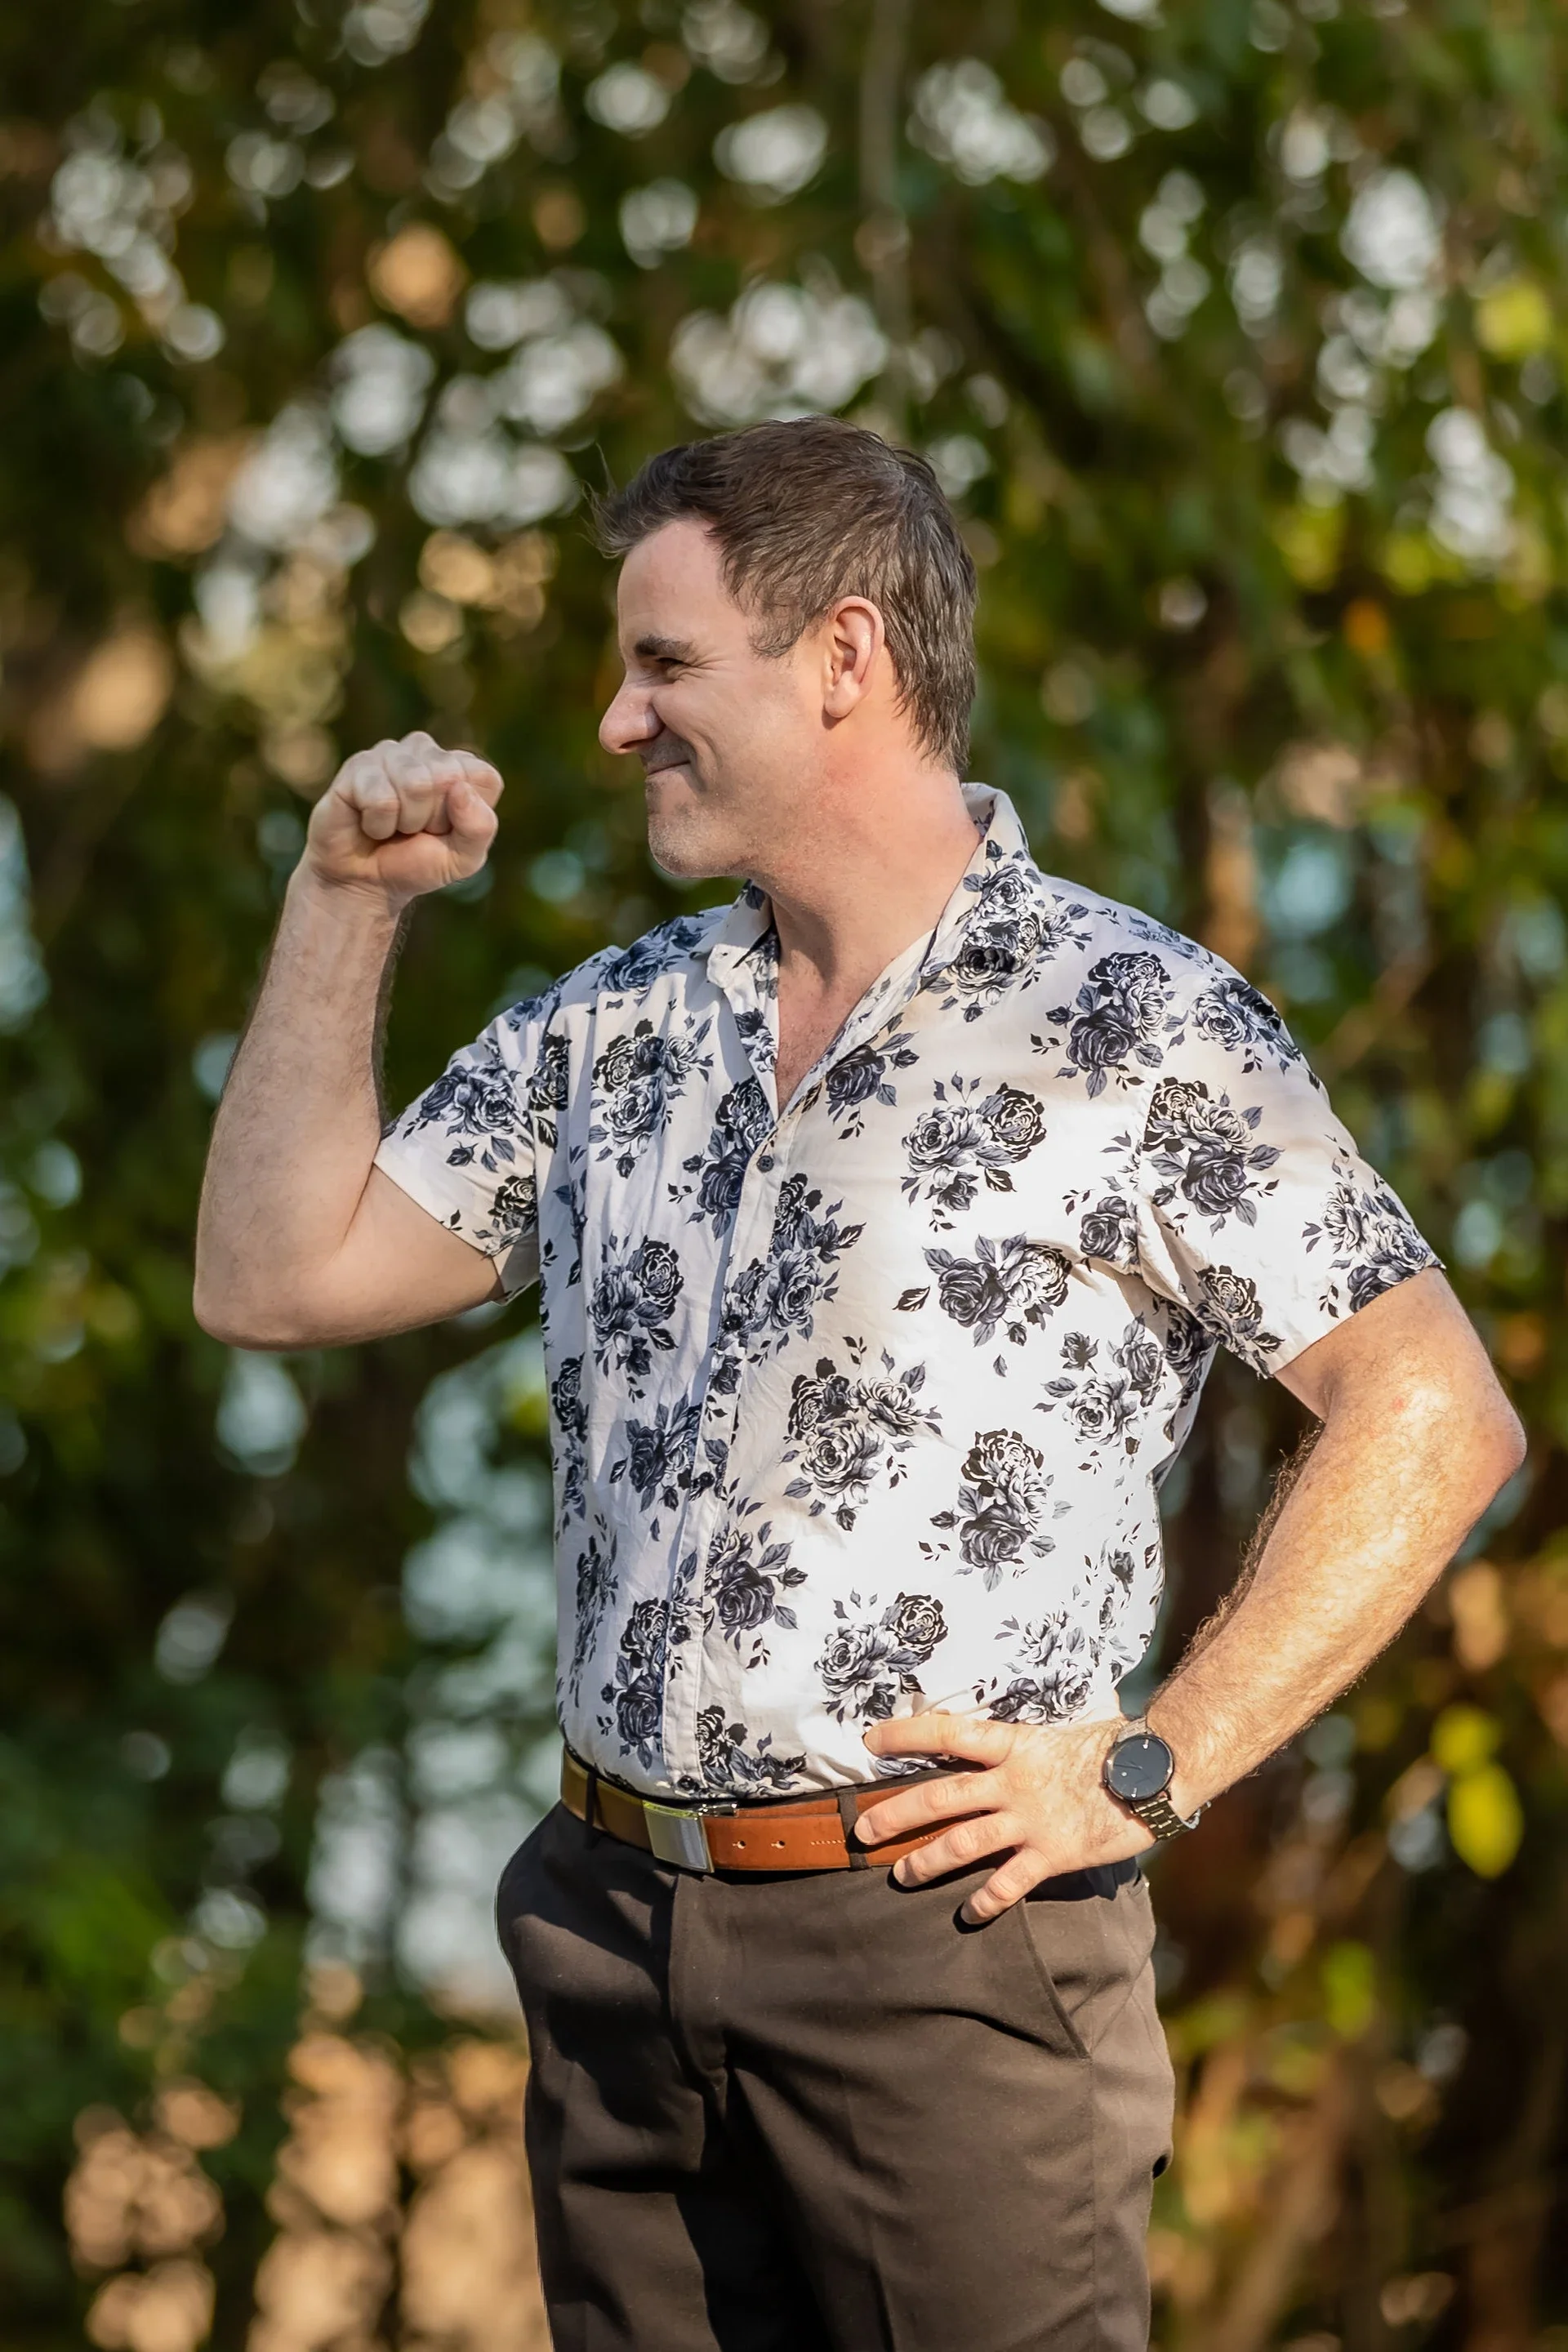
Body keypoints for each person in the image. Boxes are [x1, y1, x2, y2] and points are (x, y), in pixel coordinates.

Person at [195, 417, 1524, 2351]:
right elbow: (271, 1276)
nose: (618, 721)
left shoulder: (1128, 1021)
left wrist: (1152, 1768)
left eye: (664, 665)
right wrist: (342, 904)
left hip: (948, 1964)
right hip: (610, 1933)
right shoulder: (617, 1024)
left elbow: (1432, 1407)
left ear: (842, 658)